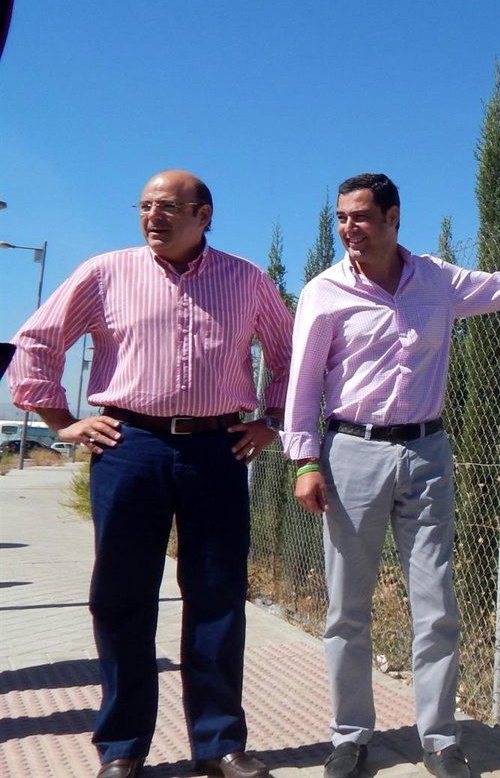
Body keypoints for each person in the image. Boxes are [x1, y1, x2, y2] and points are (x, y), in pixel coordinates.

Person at [283, 173, 500, 778]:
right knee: (347, 607)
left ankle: (439, 739)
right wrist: (305, 460)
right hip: (352, 452)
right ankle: (350, 736)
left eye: (361, 217)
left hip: (427, 455)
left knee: (436, 604)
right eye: (341, 218)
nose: (349, 229)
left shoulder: (436, 280)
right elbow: (304, 382)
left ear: (392, 218)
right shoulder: (324, 291)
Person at [8, 170, 293, 778]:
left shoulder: (246, 279)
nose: (152, 217)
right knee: (121, 597)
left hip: (218, 448)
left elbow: (289, 352)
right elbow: (36, 341)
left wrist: (271, 420)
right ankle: (122, 748)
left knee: (217, 595)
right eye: (144, 206)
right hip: (129, 446)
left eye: (167, 206)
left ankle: (219, 745)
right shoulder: (105, 273)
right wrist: (62, 422)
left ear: (203, 214)